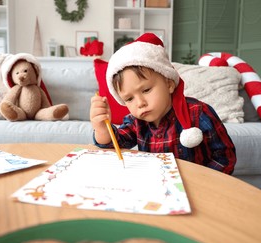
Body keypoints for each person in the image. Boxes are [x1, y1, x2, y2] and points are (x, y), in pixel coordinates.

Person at [90, 33, 236, 174]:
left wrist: (203, 183)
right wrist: (101, 127)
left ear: (169, 83)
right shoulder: (135, 121)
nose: (140, 103)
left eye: (146, 90)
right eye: (129, 99)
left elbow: (225, 157)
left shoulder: (199, 113)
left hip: (197, 187)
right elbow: (114, 145)